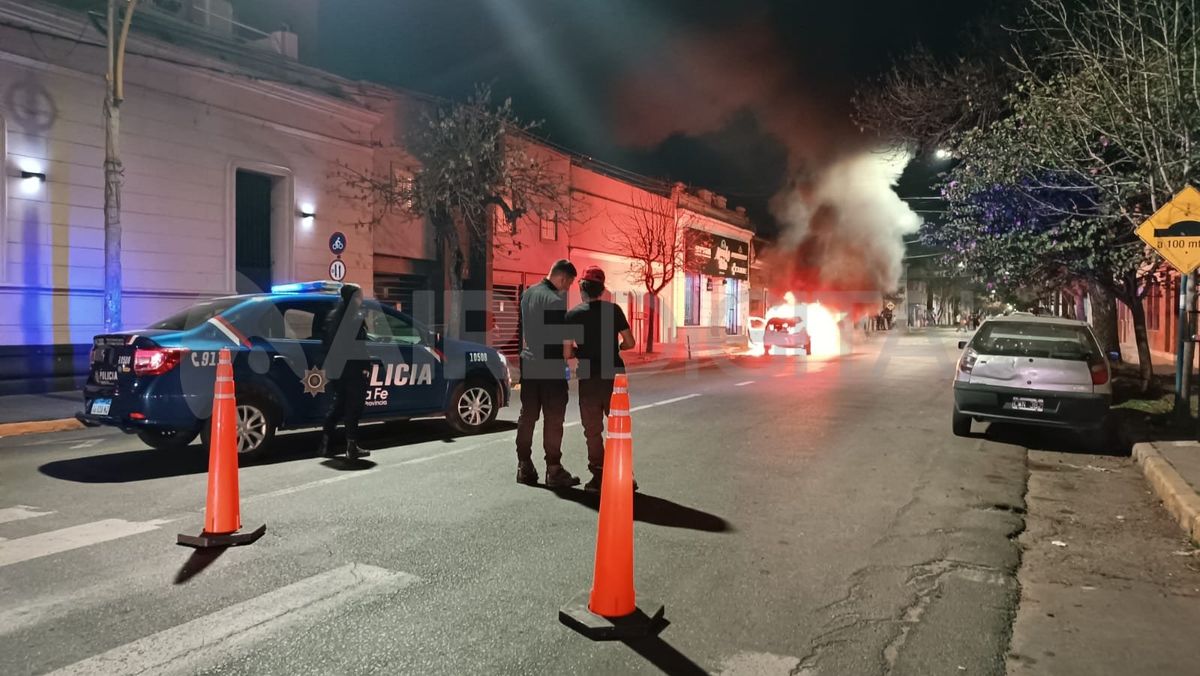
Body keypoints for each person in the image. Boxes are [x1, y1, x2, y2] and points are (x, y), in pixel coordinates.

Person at [564, 267, 636, 492]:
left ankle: (598, 476)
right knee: (619, 427)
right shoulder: (613, 311)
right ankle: (626, 475)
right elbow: (630, 342)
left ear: (581, 288)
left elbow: (567, 352)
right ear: (603, 289)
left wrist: (578, 352)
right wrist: (620, 346)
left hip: (588, 375)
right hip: (615, 374)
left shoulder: (573, 315)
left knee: (593, 430)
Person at [514, 259, 580, 487]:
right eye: (569, 284)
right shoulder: (555, 300)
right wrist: (569, 355)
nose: (568, 288)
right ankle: (553, 469)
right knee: (553, 419)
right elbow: (562, 341)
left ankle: (524, 465)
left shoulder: (528, 294)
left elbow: (524, 330)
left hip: (529, 363)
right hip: (550, 367)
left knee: (528, 415)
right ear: (562, 278)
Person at [318, 284, 371, 460]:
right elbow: (359, 346)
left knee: (339, 405)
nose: (361, 298)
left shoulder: (333, 316)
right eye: (359, 295)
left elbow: (326, 343)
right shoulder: (354, 317)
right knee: (353, 408)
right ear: (352, 297)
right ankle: (352, 446)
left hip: (335, 368)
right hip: (352, 369)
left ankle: (325, 443)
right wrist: (366, 367)